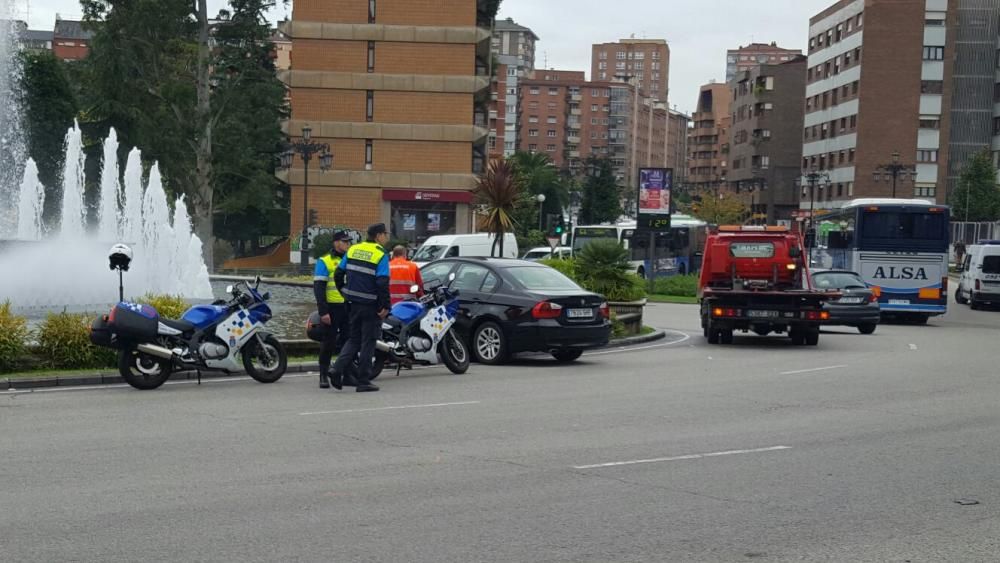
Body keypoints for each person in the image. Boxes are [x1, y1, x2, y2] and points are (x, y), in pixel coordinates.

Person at [329, 223, 391, 392]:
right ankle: (363, 380)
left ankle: (336, 369)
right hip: (371, 305)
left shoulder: (353, 249)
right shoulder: (380, 254)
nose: (386, 237)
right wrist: (385, 305)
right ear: (378, 236)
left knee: (353, 339)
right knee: (368, 342)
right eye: (385, 234)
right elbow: (382, 282)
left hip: (353, 303)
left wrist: (344, 292)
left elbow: (338, 273)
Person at [313, 231, 352, 389]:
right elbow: (319, 288)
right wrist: (323, 311)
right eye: (345, 242)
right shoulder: (325, 261)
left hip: (348, 306)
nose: (348, 244)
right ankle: (323, 375)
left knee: (348, 342)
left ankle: (347, 374)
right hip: (332, 308)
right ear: (336, 243)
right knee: (328, 342)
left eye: (349, 242)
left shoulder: (350, 259)